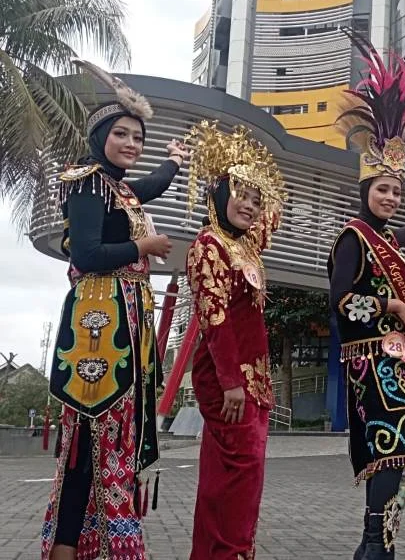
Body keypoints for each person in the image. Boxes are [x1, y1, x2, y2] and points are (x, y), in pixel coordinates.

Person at [42, 62, 189, 560]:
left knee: (112, 437)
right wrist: (142, 244)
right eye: (121, 134)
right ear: (100, 136)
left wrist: (173, 160)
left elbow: (151, 186)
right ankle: (71, 546)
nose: (131, 143)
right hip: (97, 328)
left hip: (125, 320)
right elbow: (84, 254)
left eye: (138, 137)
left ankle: (96, 543)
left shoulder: (119, 189)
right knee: (91, 437)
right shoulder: (85, 184)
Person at [329, 24, 405, 560]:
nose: (391, 197)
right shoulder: (352, 238)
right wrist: (391, 305)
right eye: (382, 189)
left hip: (398, 362)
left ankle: (382, 542)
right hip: (371, 361)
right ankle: (371, 543)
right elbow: (341, 301)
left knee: (400, 451)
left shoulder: (383, 237)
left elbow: (395, 236)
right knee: (387, 451)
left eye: (397, 191)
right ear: (365, 190)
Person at [184, 121, 285, 559]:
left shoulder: (246, 245)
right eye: (241, 194)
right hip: (230, 383)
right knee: (238, 474)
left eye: (256, 199)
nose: (250, 205)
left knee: (236, 475)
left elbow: (275, 213)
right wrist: (230, 382)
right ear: (220, 194)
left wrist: (263, 171)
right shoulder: (209, 245)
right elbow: (214, 319)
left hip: (253, 382)